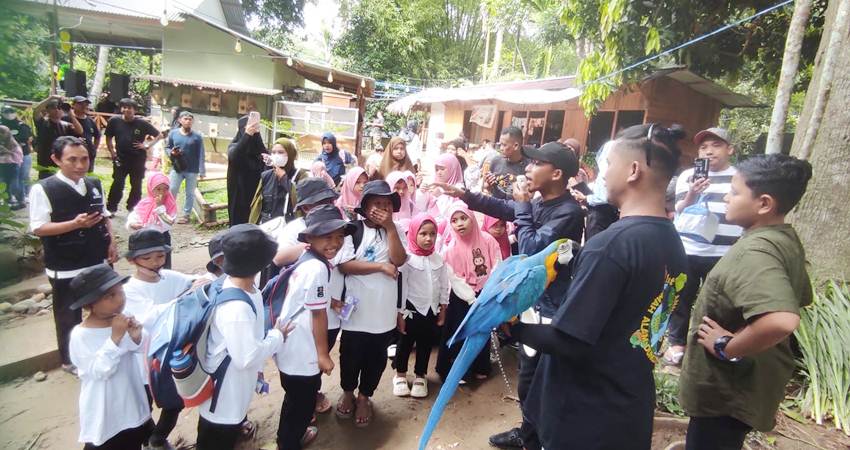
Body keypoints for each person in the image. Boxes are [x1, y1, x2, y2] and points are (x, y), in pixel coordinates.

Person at [508, 123, 688, 450]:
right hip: (628, 406)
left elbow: (570, 341)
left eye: (608, 164)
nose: (601, 174)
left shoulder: (611, 245)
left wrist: (509, 327)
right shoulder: (671, 240)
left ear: (633, 170)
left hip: (585, 415)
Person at [431, 140, 586, 449]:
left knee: (543, 380)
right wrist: (467, 196)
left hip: (551, 309)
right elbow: (507, 208)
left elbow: (531, 250)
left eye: (536, 163)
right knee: (528, 377)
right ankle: (528, 433)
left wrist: (524, 207)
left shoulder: (568, 212)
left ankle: (539, 439)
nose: (527, 168)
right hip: (530, 301)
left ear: (556, 174)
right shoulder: (540, 200)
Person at [678, 154, 813, 450]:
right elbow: (797, 298)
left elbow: (781, 319)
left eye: (735, 192)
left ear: (764, 203)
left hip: (727, 393)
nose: (727, 197)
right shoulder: (783, 239)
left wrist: (727, 346)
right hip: (744, 387)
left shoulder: (755, 252)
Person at [195, 224, 289, 450]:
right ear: (261, 263)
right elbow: (246, 357)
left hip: (232, 388)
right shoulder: (237, 308)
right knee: (215, 441)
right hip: (223, 398)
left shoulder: (247, 288)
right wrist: (278, 336)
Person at [29, 136, 117, 375]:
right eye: (72, 160)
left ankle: (102, 347)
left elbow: (104, 215)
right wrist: (74, 224)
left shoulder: (94, 183)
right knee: (68, 313)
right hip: (65, 262)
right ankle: (70, 360)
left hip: (96, 258)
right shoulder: (44, 188)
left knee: (104, 305)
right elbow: (38, 227)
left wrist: (111, 241)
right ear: (56, 159)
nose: (80, 165)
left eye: (85, 159)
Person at [273, 205, 353, 449]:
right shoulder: (318, 267)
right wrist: (322, 355)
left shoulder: (307, 259)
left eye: (339, 236)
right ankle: (289, 442)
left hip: (288, 344)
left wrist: (333, 301)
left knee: (293, 398)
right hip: (302, 350)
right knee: (303, 402)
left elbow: (310, 298)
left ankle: (285, 436)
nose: (335, 243)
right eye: (327, 236)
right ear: (309, 238)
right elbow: (318, 314)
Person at [663, 127, 743, 366]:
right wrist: (692, 194)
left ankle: (711, 345)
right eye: (703, 147)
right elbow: (678, 209)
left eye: (716, 146)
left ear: (730, 149)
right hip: (687, 248)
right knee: (680, 297)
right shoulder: (688, 175)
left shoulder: (739, 177)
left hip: (723, 252)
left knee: (717, 302)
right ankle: (677, 343)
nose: (709, 151)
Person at [335, 180, 406, 428]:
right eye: (377, 203)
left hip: (384, 312)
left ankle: (365, 396)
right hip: (355, 311)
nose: (383, 209)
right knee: (350, 354)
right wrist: (379, 266)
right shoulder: (351, 230)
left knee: (376, 358)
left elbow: (398, 260)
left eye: (388, 204)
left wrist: (390, 228)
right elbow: (345, 265)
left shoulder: (395, 231)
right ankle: (347, 392)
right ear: (364, 207)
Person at [121, 229, 195, 450]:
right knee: (143, 406)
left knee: (174, 402)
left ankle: (157, 438)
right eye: (147, 257)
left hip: (169, 355)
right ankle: (147, 440)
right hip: (144, 359)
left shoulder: (168, 278)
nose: (155, 262)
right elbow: (150, 317)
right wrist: (184, 298)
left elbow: (195, 280)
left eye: (160, 256)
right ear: (132, 260)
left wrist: (200, 281)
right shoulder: (129, 290)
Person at [68, 264, 152, 450]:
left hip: (129, 397)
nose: (120, 299)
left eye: (120, 292)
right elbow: (99, 371)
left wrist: (137, 335)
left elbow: (138, 349)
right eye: (110, 296)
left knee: (132, 438)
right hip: (104, 406)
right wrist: (115, 338)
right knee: (109, 443)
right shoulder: (81, 335)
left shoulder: (123, 318)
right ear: (90, 304)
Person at [435, 203, 501, 382]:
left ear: (471, 218)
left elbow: (496, 263)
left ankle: (481, 366)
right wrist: (470, 297)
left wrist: (489, 290)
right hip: (462, 297)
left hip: (485, 293)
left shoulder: (487, 240)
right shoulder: (449, 251)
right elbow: (454, 277)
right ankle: (459, 371)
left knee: (481, 331)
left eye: (463, 218)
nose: (460, 224)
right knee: (460, 331)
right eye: (454, 221)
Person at [393, 214, 449, 398]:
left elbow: (443, 285)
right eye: (423, 233)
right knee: (405, 343)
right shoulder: (407, 261)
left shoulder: (438, 260)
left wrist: (443, 308)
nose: (428, 238)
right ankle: (400, 374)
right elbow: (402, 288)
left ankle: (420, 375)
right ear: (413, 234)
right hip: (411, 309)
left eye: (432, 234)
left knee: (425, 344)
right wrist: (400, 313)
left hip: (430, 310)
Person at [105, 98, 163, 213]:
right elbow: (108, 137)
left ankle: (133, 207)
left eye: (129, 108)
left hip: (137, 159)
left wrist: (147, 145)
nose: (126, 110)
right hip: (120, 158)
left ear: (134, 110)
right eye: (124, 107)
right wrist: (112, 152)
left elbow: (159, 135)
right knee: (117, 183)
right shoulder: (114, 121)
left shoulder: (141, 123)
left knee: (136, 185)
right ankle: (111, 208)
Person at [248, 137, 306, 225]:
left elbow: (302, 199)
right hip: (267, 226)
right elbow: (257, 206)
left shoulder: (300, 175)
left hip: (289, 227)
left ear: (290, 154)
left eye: (281, 152)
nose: (276, 155)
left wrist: (284, 179)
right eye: (274, 152)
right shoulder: (266, 176)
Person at [126, 173, 177, 269]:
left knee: (163, 265)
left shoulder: (170, 204)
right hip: (145, 239)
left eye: (165, 189)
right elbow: (135, 215)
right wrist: (132, 224)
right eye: (158, 189)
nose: (162, 192)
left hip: (162, 239)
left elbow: (169, 223)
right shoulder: (144, 203)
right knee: (147, 265)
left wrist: (160, 208)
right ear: (151, 189)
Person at [226, 114, 267, 226]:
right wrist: (247, 135)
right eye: (248, 128)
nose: (252, 131)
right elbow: (235, 156)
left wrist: (257, 134)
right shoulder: (234, 146)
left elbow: (265, 155)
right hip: (239, 194)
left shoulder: (257, 149)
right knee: (238, 223)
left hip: (255, 194)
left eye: (255, 128)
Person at [166, 111, 206, 224]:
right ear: (180, 120)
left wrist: (202, 170)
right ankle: (169, 212)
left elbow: (201, 154)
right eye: (185, 119)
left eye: (190, 119)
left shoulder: (197, 137)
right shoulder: (173, 133)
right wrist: (172, 153)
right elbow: (167, 147)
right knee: (172, 189)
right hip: (177, 168)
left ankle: (186, 215)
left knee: (190, 193)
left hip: (192, 170)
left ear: (192, 122)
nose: (188, 121)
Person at [33, 96, 83, 179]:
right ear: (47, 110)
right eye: (53, 108)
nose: (57, 110)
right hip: (46, 163)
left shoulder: (66, 125)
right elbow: (36, 111)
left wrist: (71, 114)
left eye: (59, 108)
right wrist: (50, 98)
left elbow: (80, 131)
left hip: (62, 162)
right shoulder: (43, 123)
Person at [582, 140, 620, 239]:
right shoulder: (606, 171)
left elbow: (603, 197)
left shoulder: (606, 172)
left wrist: (586, 198)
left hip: (601, 213)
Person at [484, 127, 530, 199]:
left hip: (516, 208)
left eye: (504, 145)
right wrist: (489, 184)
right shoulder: (495, 161)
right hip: (495, 205)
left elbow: (530, 196)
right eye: (500, 145)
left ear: (516, 146)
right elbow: (486, 187)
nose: (501, 148)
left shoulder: (529, 167)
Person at [1, 106, 33, 201]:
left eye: (11, 111)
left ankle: (25, 196)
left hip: (24, 155)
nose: (9, 113)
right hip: (5, 159)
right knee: (7, 178)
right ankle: (10, 198)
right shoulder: (1, 125)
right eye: (6, 111)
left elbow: (25, 138)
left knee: (23, 176)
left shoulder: (22, 125)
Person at [70, 96, 101, 172]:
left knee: (88, 179)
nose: (84, 106)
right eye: (81, 104)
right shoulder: (67, 118)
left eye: (86, 104)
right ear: (73, 105)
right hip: (72, 155)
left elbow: (97, 136)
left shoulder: (90, 121)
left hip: (88, 155)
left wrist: (94, 149)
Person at [0, 125, 24, 209]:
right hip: (2, 166)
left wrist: (6, 151)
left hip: (13, 165)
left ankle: (21, 200)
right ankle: (9, 201)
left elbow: (18, 155)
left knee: (14, 185)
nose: (1, 134)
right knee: (4, 184)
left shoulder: (13, 143)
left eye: (3, 132)